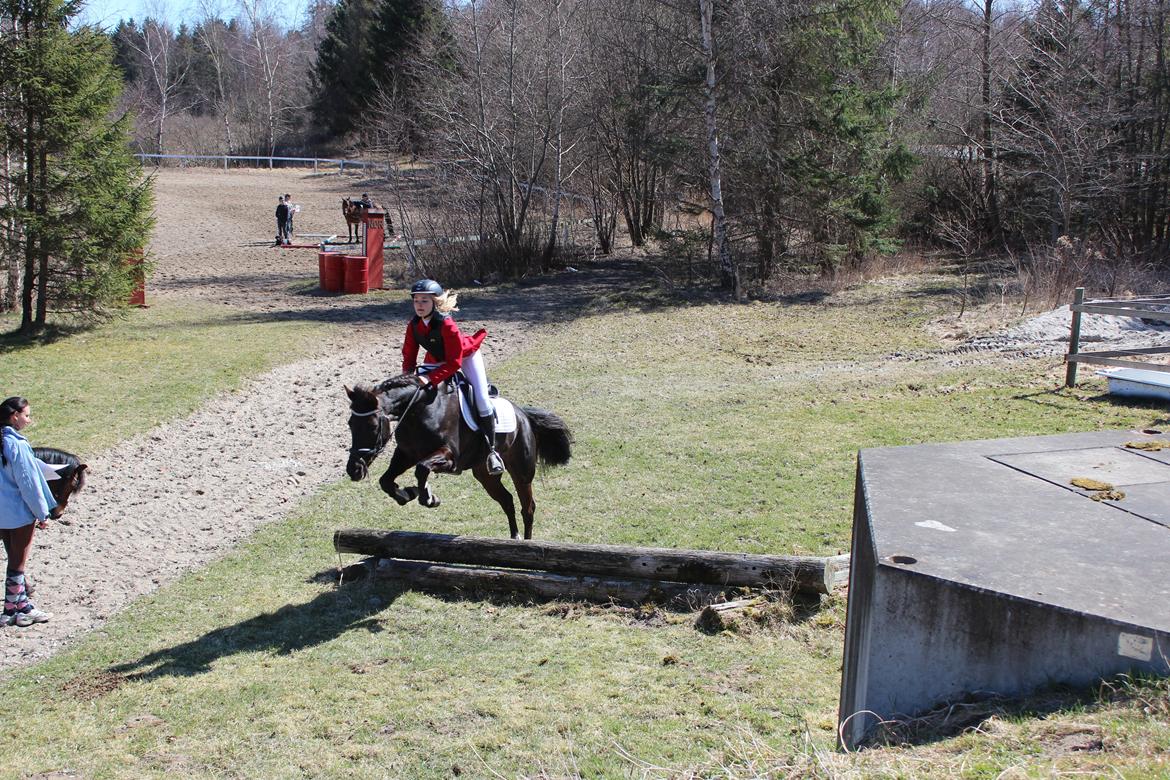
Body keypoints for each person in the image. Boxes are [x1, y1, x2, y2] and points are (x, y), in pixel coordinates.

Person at [401, 279, 505, 475]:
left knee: (482, 399)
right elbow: (409, 356)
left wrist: (430, 379)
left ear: (435, 303)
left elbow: (454, 364)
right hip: (436, 358)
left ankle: (492, 452)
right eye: (416, 301)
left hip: (464, 356)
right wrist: (407, 379)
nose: (419, 305)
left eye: (424, 301)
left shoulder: (447, 325)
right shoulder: (414, 325)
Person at [0, 397, 55, 627]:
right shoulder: (17, 445)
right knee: (17, 563)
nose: (29, 420)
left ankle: (20, 607)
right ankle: (14, 611)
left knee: (13, 559)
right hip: (19, 513)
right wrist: (42, 514)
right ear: (15, 416)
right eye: (27, 415)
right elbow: (28, 483)